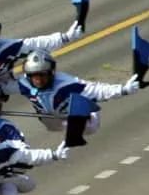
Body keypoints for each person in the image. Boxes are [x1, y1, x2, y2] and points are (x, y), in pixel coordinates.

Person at [14, 49, 142, 135]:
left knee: (85, 127)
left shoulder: (68, 84)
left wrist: (124, 89)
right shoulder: (22, 83)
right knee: (51, 125)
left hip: (84, 119)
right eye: (34, 76)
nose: (39, 80)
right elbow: (0, 87)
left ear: (51, 73)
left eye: (42, 75)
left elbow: (98, 90)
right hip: (52, 118)